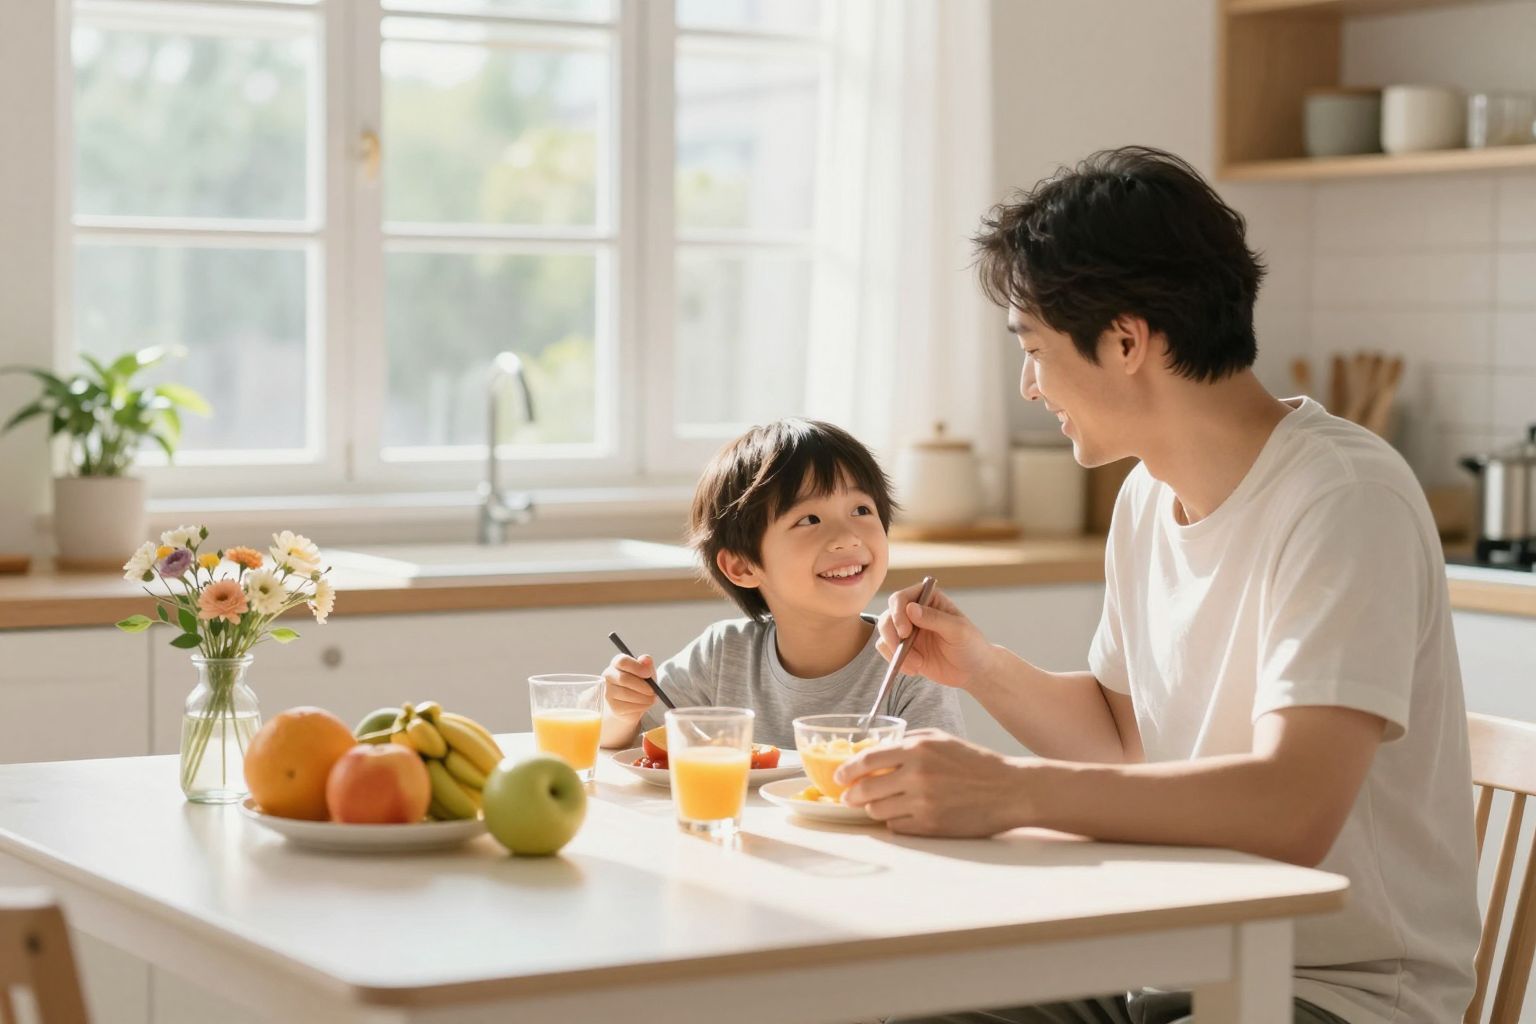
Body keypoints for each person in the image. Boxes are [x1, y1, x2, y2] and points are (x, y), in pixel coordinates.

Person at [835, 147, 1479, 1024]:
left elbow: (1293, 809)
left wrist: (1011, 791)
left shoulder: (1343, 499)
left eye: (1034, 350)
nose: (1029, 386)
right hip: (1173, 960)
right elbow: (1125, 737)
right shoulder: (1147, 495)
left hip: (1332, 993)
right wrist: (983, 667)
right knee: (892, 1002)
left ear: (1127, 340)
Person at [599, 417, 963, 750]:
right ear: (742, 567)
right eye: (809, 519)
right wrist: (621, 711)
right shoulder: (721, 656)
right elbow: (630, 747)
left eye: (861, 510)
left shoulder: (912, 663)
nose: (848, 537)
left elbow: (944, 785)